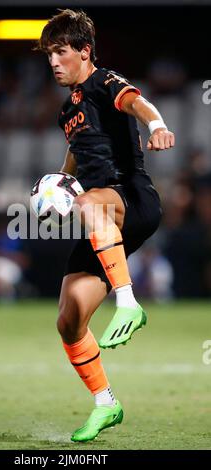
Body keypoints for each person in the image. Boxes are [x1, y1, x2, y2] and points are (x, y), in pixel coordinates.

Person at [36, 9, 175, 442]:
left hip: (132, 199)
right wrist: (56, 186)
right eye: (49, 55)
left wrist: (157, 124)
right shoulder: (67, 112)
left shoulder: (104, 81)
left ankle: (129, 301)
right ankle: (105, 404)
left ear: (84, 51)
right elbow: (76, 157)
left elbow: (137, 102)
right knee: (69, 318)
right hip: (103, 217)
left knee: (91, 202)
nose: (54, 61)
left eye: (61, 52)